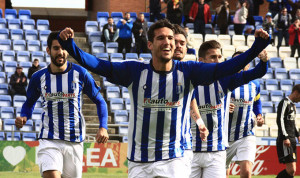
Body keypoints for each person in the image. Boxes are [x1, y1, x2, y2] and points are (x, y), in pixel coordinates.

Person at [58, 19, 270, 178]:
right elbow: (100, 65)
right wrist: (71, 47)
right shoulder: (134, 71)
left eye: (171, 38)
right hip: (139, 161)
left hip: (174, 158)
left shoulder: (189, 71)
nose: (168, 42)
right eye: (161, 38)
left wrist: (255, 49)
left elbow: (225, 68)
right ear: (150, 45)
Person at [15, 31, 109, 178]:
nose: (61, 52)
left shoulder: (81, 74)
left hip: (74, 140)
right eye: (56, 48)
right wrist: (24, 117)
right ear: (48, 50)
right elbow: (29, 103)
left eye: (64, 48)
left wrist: (103, 127)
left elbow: (100, 101)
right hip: (49, 139)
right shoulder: (38, 77)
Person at [190, 42, 269, 178]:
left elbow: (258, 72)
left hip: (216, 150)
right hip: (190, 150)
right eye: (213, 57)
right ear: (201, 61)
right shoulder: (188, 80)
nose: (218, 61)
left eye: (220, 57)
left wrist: (263, 61)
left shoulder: (226, 80)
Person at [173, 24, 209, 176]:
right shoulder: (150, 72)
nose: (179, 46)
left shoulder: (188, 72)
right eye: (175, 42)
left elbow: (191, 100)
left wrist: (200, 123)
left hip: (184, 144)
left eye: (183, 43)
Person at [226, 51, 265, 178]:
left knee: (247, 172)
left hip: (246, 132)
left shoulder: (255, 84)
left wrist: (259, 115)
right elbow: (215, 101)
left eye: (243, 61)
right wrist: (225, 107)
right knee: (222, 172)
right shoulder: (224, 81)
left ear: (247, 65)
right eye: (236, 61)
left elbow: (256, 102)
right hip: (225, 134)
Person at [276, 84, 300, 178]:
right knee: (291, 170)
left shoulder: (293, 105)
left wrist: (298, 134)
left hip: (292, 139)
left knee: (292, 171)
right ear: (297, 93)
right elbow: (280, 120)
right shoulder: (284, 102)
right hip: (286, 139)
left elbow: (294, 122)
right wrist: (285, 137)